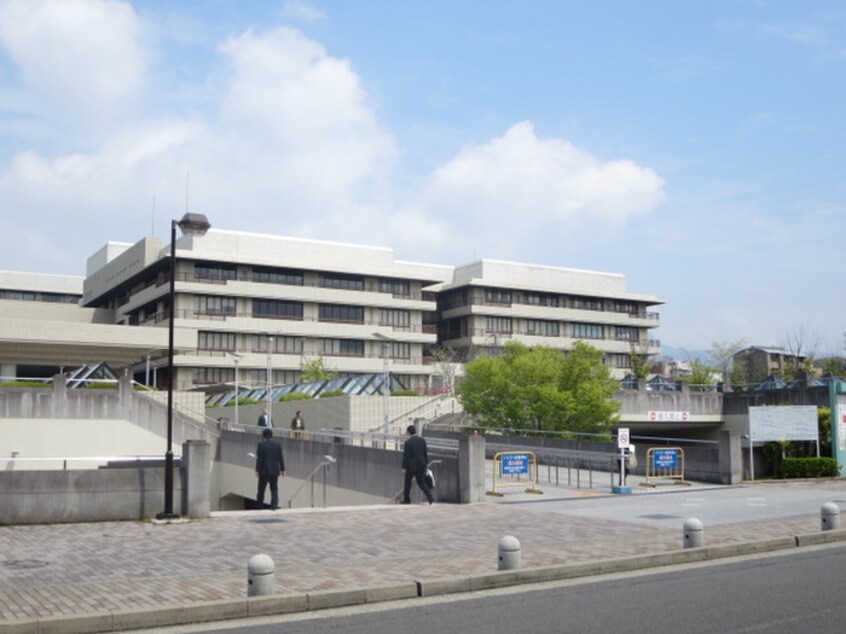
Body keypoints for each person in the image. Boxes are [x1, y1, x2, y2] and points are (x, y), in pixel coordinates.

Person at [401, 424, 434, 505]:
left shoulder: (408, 442)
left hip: (411, 466)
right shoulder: (422, 440)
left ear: (409, 432)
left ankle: (407, 499)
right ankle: (430, 497)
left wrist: (403, 467)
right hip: (421, 464)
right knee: (421, 482)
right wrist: (426, 464)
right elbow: (425, 453)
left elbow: (406, 456)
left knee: (407, 483)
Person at [255, 428, 285, 509]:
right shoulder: (278, 445)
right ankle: (274, 505)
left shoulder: (261, 445)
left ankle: (259, 505)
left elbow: (259, 459)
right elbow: (281, 458)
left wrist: (257, 470)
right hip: (275, 470)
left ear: (263, 436)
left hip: (264, 470)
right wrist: (283, 469)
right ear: (272, 436)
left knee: (261, 489)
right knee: (274, 488)